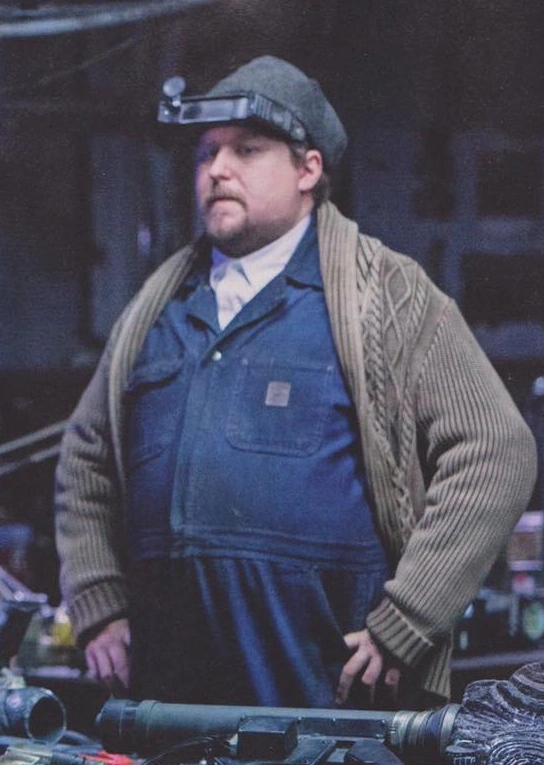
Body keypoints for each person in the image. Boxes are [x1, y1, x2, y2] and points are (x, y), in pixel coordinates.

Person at [55, 56, 537, 710]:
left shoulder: (385, 296)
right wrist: (99, 600)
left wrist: (410, 616)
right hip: (168, 703)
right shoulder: (157, 308)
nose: (217, 169)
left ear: (308, 169)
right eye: (207, 153)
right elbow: (86, 454)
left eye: (247, 150)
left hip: (326, 701)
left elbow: (495, 449)